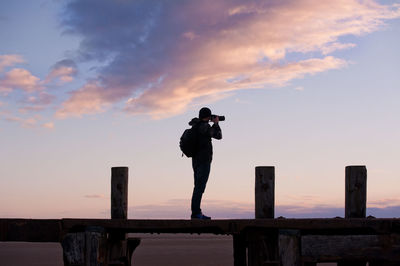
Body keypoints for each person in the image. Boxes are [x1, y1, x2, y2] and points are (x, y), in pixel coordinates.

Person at [188, 107, 222, 219]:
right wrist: (216, 123)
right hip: (204, 161)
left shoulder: (196, 126)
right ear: (207, 117)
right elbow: (218, 136)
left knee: (197, 186)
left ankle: (196, 212)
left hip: (196, 160)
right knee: (199, 187)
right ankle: (196, 213)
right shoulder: (204, 126)